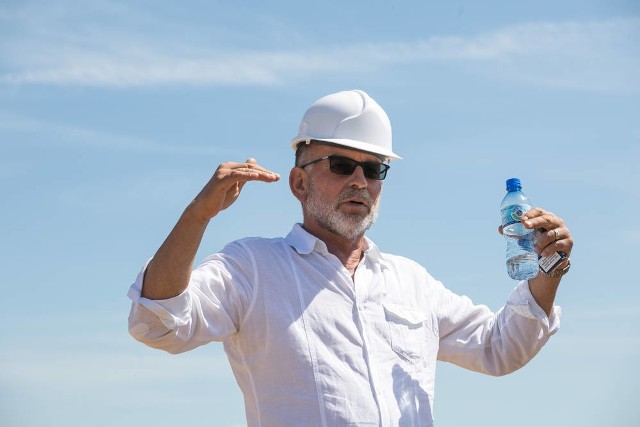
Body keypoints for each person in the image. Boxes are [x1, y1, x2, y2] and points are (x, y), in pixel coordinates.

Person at [128, 89, 573, 427]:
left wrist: (548, 269)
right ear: (299, 184)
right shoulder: (252, 269)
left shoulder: (411, 281)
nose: (360, 180)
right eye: (341, 165)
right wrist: (198, 215)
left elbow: (499, 349)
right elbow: (158, 322)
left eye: (375, 168)